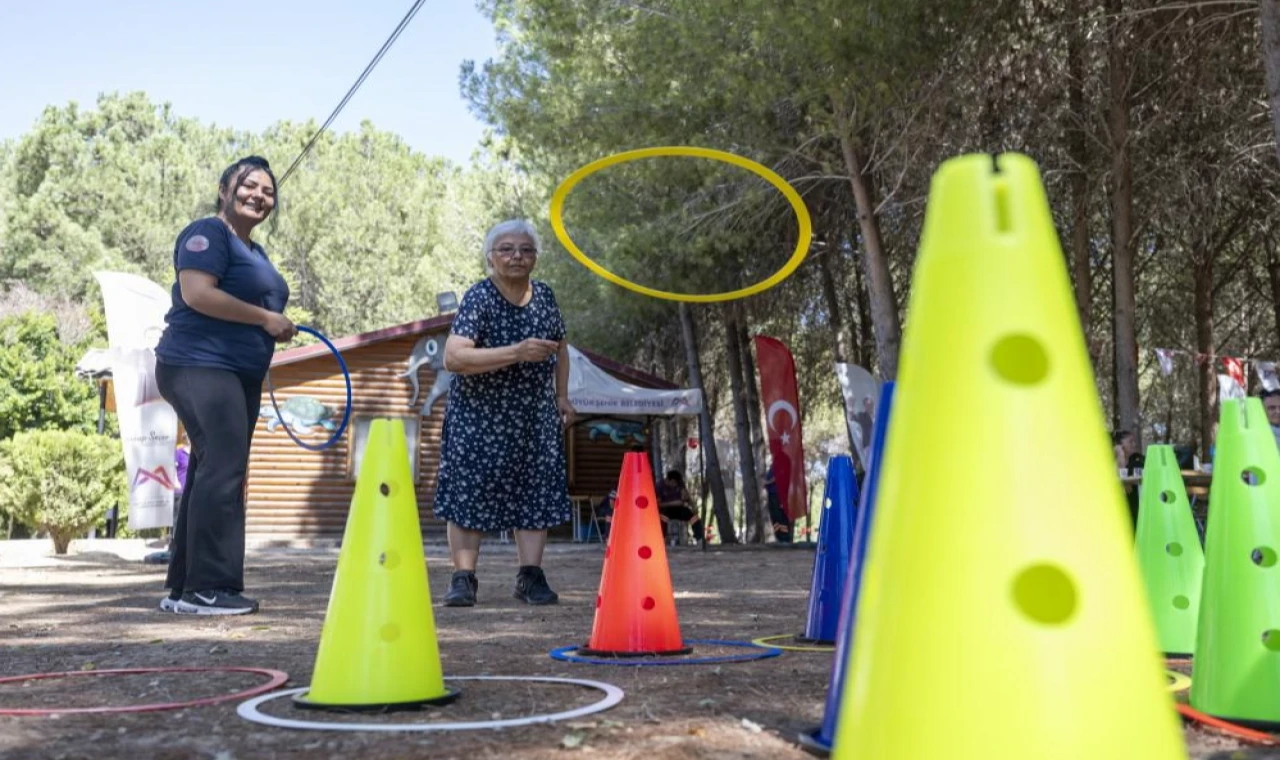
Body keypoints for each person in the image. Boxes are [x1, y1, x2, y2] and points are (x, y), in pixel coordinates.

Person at [153, 156, 294, 615]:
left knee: (212, 468)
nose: (259, 195)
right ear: (224, 190)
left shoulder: (256, 252)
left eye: (268, 191)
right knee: (225, 468)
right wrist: (266, 318)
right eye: (249, 185)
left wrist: (271, 329)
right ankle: (209, 588)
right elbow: (197, 293)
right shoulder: (207, 234)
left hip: (237, 373)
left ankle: (184, 588)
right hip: (198, 364)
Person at [435, 219, 574, 607]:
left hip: (533, 414)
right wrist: (516, 351)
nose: (517, 256)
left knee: (535, 493)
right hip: (479, 416)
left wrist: (562, 395)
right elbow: (454, 357)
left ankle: (530, 578)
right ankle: (464, 579)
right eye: (507, 249)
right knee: (469, 494)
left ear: (536, 258)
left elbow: (560, 348)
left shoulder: (545, 296)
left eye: (526, 250)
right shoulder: (479, 297)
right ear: (491, 257)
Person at [655, 470, 705, 544]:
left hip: (680, 509)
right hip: (666, 509)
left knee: (694, 518)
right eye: (674, 483)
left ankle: (700, 539)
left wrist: (692, 505)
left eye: (677, 483)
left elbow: (687, 497)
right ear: (669, 480)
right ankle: (661, 540)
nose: (675, 485)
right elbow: (658, 504)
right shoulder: (660, 486)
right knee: (662, 518)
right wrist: (674, 503)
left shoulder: (680, 484)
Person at [764, 466, 792, 543]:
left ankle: (784, 537)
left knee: (781, 517)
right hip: (772, 494)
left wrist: (768, 482)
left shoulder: (781, 467)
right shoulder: (772, 468)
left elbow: (776, 478)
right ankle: (779, 536)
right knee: (775, 516)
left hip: (778, 494)